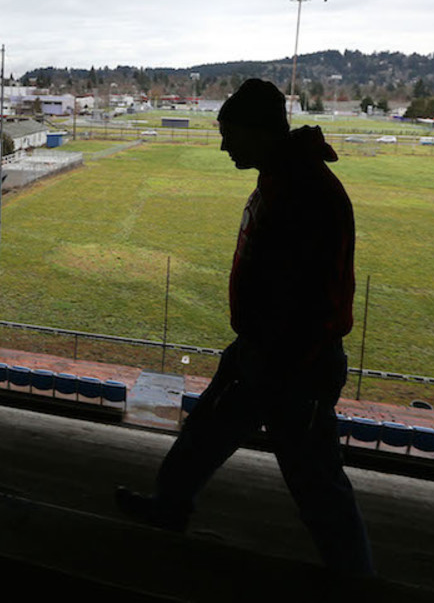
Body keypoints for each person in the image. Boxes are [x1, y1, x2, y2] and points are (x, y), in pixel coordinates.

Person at [115, 78, 374, 577]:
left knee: (314, 477)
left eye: (229, 134)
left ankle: (355, 577)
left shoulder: (303, 191)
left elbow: (309, 293)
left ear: (258, 132)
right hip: (265, 348)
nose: (223, 146)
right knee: (204, 435)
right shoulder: (287, 179)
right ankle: (168, 507)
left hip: (293, 361)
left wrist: (276, 359)